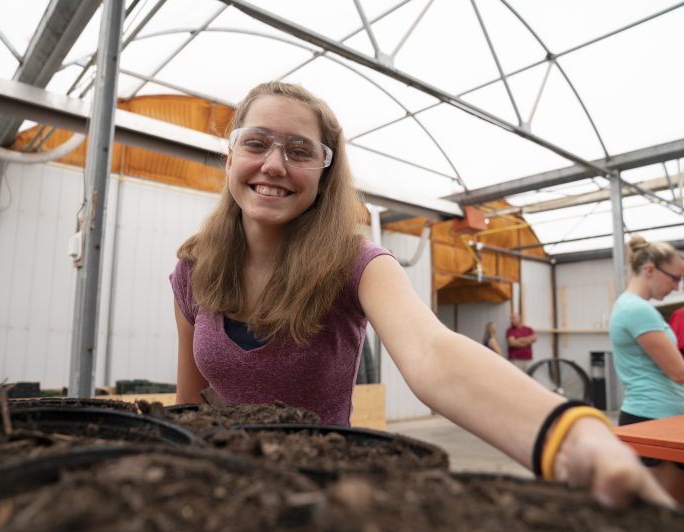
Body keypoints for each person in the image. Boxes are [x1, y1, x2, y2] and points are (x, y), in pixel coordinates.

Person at [170, 81, 674, 508]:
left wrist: (567, 436)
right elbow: (190, 404)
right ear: (230, 152)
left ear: (325, 175)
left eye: (300, 150)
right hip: (225, 495)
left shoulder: (356, 263)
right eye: (256, 143)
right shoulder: (194, 269)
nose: (275, 165)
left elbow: (432, 353)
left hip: (324, 498)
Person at [609, 236, 684, 502]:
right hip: (654, 418)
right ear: (650, 269)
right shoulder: (637, 310)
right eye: (674, 278)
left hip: (658, 416)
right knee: (666, 512)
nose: (676, 287)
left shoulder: (634, 308)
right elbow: (679, 372)